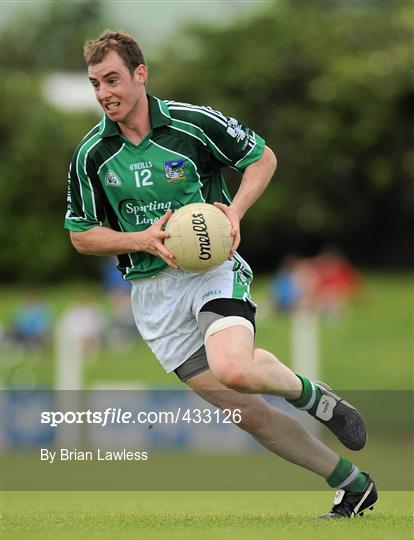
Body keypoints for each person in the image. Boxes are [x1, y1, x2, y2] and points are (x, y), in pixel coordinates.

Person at [65, 30, 377, 518]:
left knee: (234, 367)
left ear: (140, 75)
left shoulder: (193, 124)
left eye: (113, 79)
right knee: (247, 412)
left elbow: (261, 158)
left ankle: (315, 397)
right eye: (95, 84)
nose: (105, 93)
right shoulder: (91, 156)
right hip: (153, 297)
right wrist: (139, 239)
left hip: (213, 269)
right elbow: (81, 233)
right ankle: (352, 486)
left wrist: (234, 213)